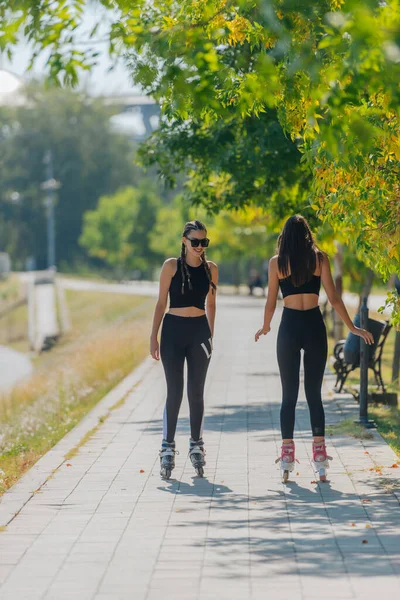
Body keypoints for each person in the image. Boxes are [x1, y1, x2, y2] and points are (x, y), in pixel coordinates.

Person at [255, 215, 373, 482]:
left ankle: (286, 457)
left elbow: (271, 302)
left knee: (289, 395)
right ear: (307, 234)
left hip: (289, 327)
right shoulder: (319, 259)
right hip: (313, 325)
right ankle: (319, 457)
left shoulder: (277, 263)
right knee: (313, 394)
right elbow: (333, 297)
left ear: (284, 235)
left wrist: (265, 327)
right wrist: (352, 328)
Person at [150, 220, 218, 479]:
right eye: (195, 241)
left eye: (204, 242)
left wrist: (211, 335)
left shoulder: (211, 269)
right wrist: (153, 336)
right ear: (184, 240)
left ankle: (196, 444)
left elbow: (211, 304)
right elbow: (160, 303)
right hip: (173, 331)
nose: (199, 246)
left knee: (196, 392)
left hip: (199, 332)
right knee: (175, 391)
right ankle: (167, 446)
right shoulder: (170, 266)